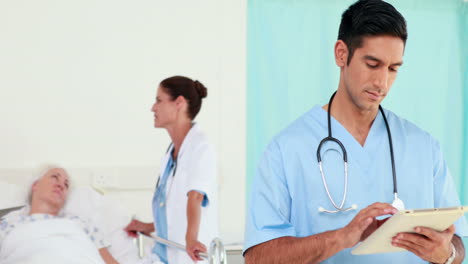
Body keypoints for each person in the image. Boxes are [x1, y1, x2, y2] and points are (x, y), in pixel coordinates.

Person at [243, 0, 468, 263]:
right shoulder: (287, 149)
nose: (382, 83)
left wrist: (447, 254)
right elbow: (258, 257)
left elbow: (457, 244)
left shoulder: (424, 147)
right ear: (341, 53)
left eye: (393, 68)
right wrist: (342, 237)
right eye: (372, 64)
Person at [124, 76, 218, 264]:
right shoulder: (170, 154)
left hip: (188, 255)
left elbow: (195, 196)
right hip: (167, 253)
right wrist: (148, 227)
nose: (153, 107)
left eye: (159, 100)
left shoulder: (200, 146)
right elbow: (173, 210)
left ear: (179, 103)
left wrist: (191, 240)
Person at [0, 165, 119, 264]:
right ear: (35, 185)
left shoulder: (81, 224)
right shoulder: (10, 223)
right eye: (54, 177)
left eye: (66, 185)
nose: (61, 185)